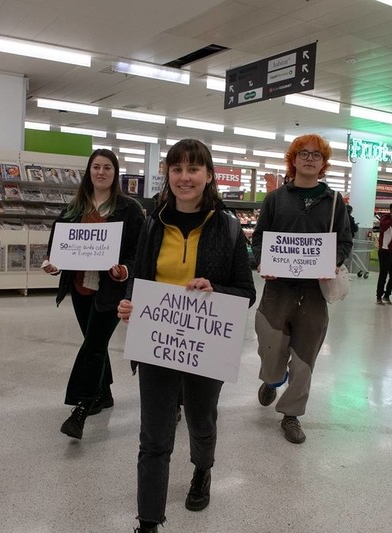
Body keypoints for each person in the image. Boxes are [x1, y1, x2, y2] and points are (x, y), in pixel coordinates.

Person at [117, 139, 256, 533]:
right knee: (154, 436)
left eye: (193, 169)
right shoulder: (153, 222)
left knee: (200, 419)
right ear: (168, 176)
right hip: (158, 341)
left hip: (206, 344)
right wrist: (130, 304)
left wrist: (216, 291)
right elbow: (141, 277)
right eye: (176, 169)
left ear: (208, 175)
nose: (184, 177)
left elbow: (247, 292)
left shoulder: (227, 228)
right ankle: (148, 522)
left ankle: (202, 469)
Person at [252, 134, 352, 445]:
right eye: (303, 154)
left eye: (316, 155)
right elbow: (258, 239)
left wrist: (332, 260)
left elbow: (344, 242)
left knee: (306, 358)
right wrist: (261, 262)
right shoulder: (275, 199)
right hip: (277, 292)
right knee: (271, 350)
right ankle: (271, 379)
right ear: (293, 160)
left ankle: (291, 414)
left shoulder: (334, 202)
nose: (309, 159)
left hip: (313, 295)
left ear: (323, 164)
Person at [42, 148, 145, 440]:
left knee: (95, 345)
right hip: (80, 288)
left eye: (107, 168)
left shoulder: (129, 209)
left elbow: (138, 252)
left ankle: (81, 408)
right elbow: (57, 249)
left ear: (115, 174)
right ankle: (104, 394)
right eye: (96, 167)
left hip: (111, 291)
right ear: (89, 172)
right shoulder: (74, 208)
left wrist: (125, 270)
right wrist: (52, 266)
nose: (101, 172)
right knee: (93, 340)